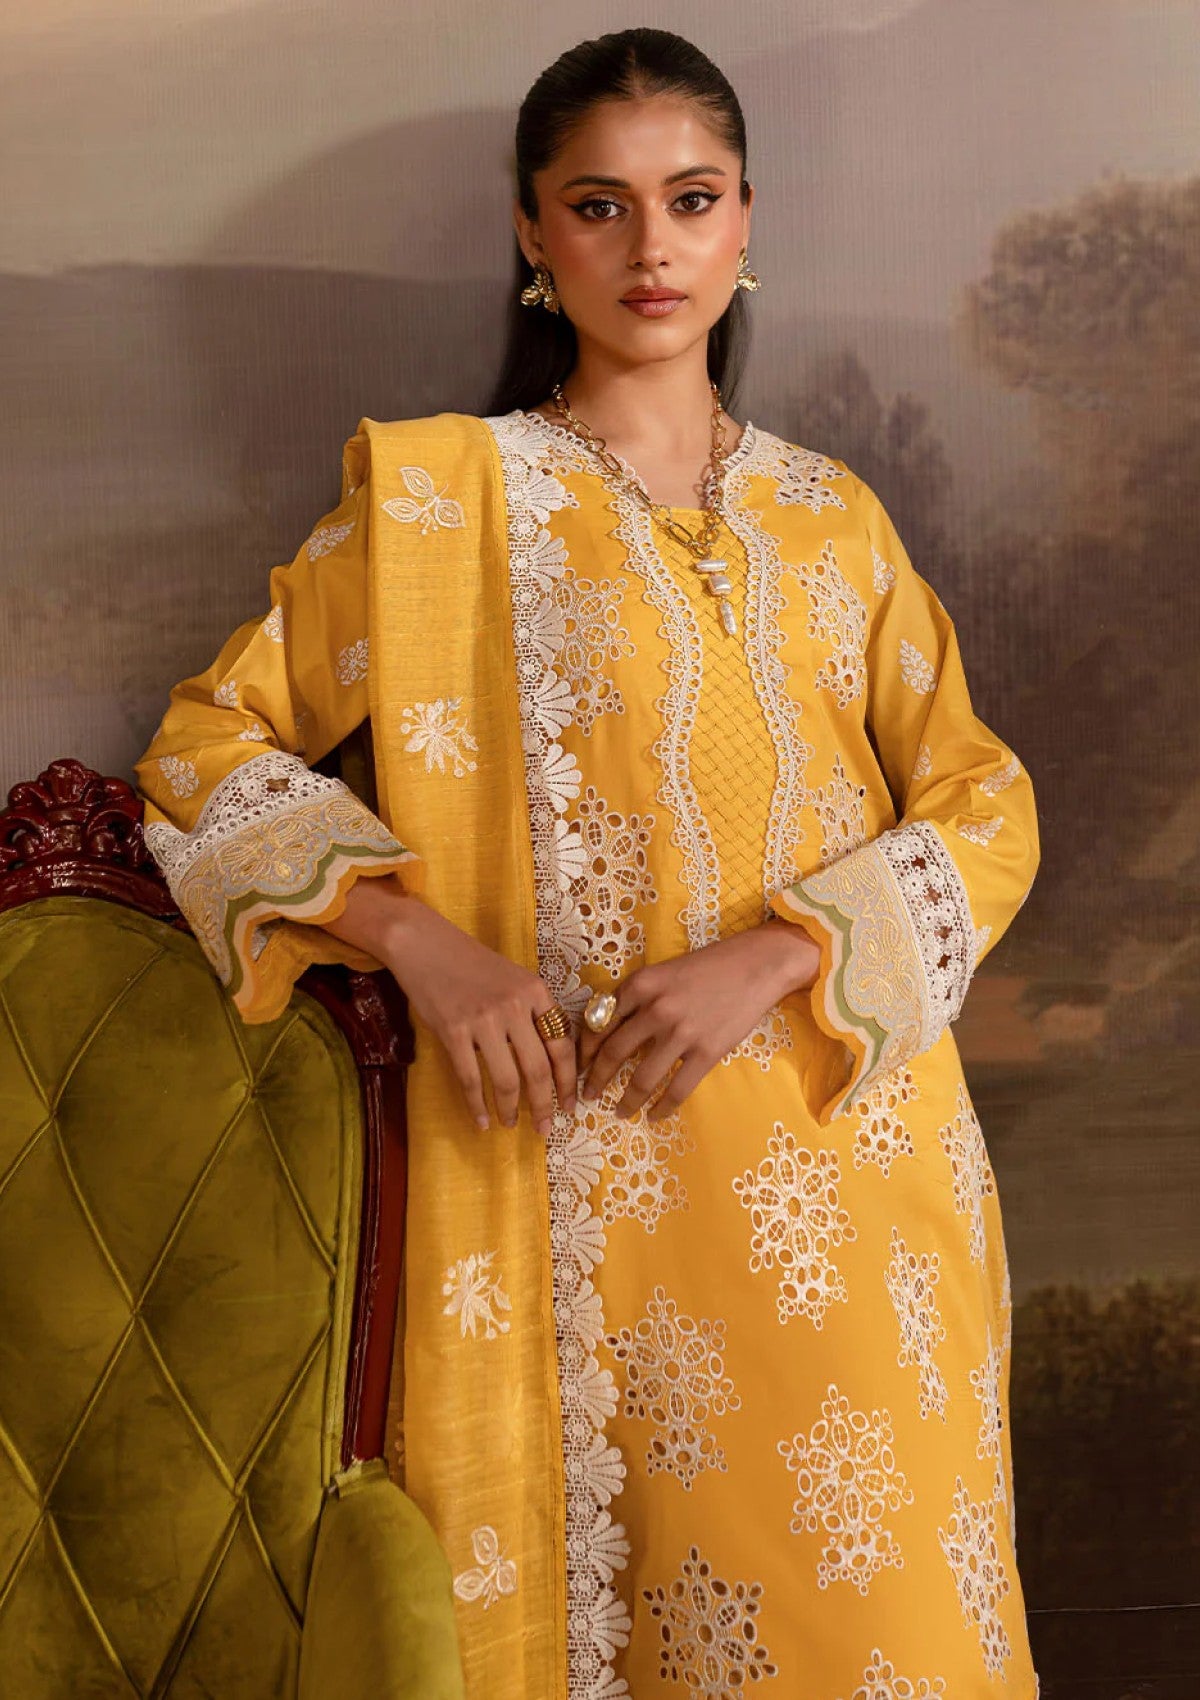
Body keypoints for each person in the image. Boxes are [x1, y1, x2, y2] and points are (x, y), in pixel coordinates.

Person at [135, 26, 1041, 1699]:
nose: (652, 247)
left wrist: (783, 951)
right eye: (600, 205)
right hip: (592, 1201)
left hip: (862, 1173)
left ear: (747, 220)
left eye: (691, 199)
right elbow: (204, 754)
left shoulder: (833, 518)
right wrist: (423, 945)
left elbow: (982, 807)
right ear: (533, 234)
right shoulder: (448, 505)